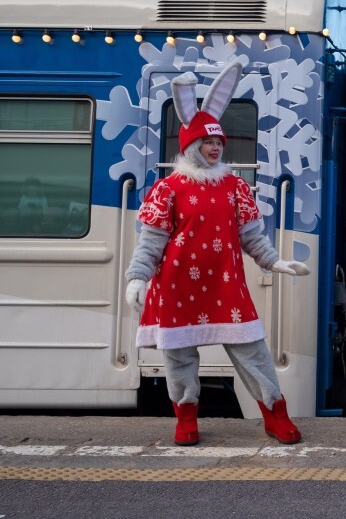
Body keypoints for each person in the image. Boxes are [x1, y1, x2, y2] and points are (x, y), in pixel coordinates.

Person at [124, 62, 309, 446]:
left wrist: (275, 261)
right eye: (208, 142)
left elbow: (252, 237)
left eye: (219, 143)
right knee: (179, 356)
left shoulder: (234, 187)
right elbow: (151, 241)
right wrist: (137, 277)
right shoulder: (168, 188)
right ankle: (186, 420)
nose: (215, 148)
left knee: (252, 350)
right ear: (190, 145)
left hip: (225, 283)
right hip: (175, 283)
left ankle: (276, 415)